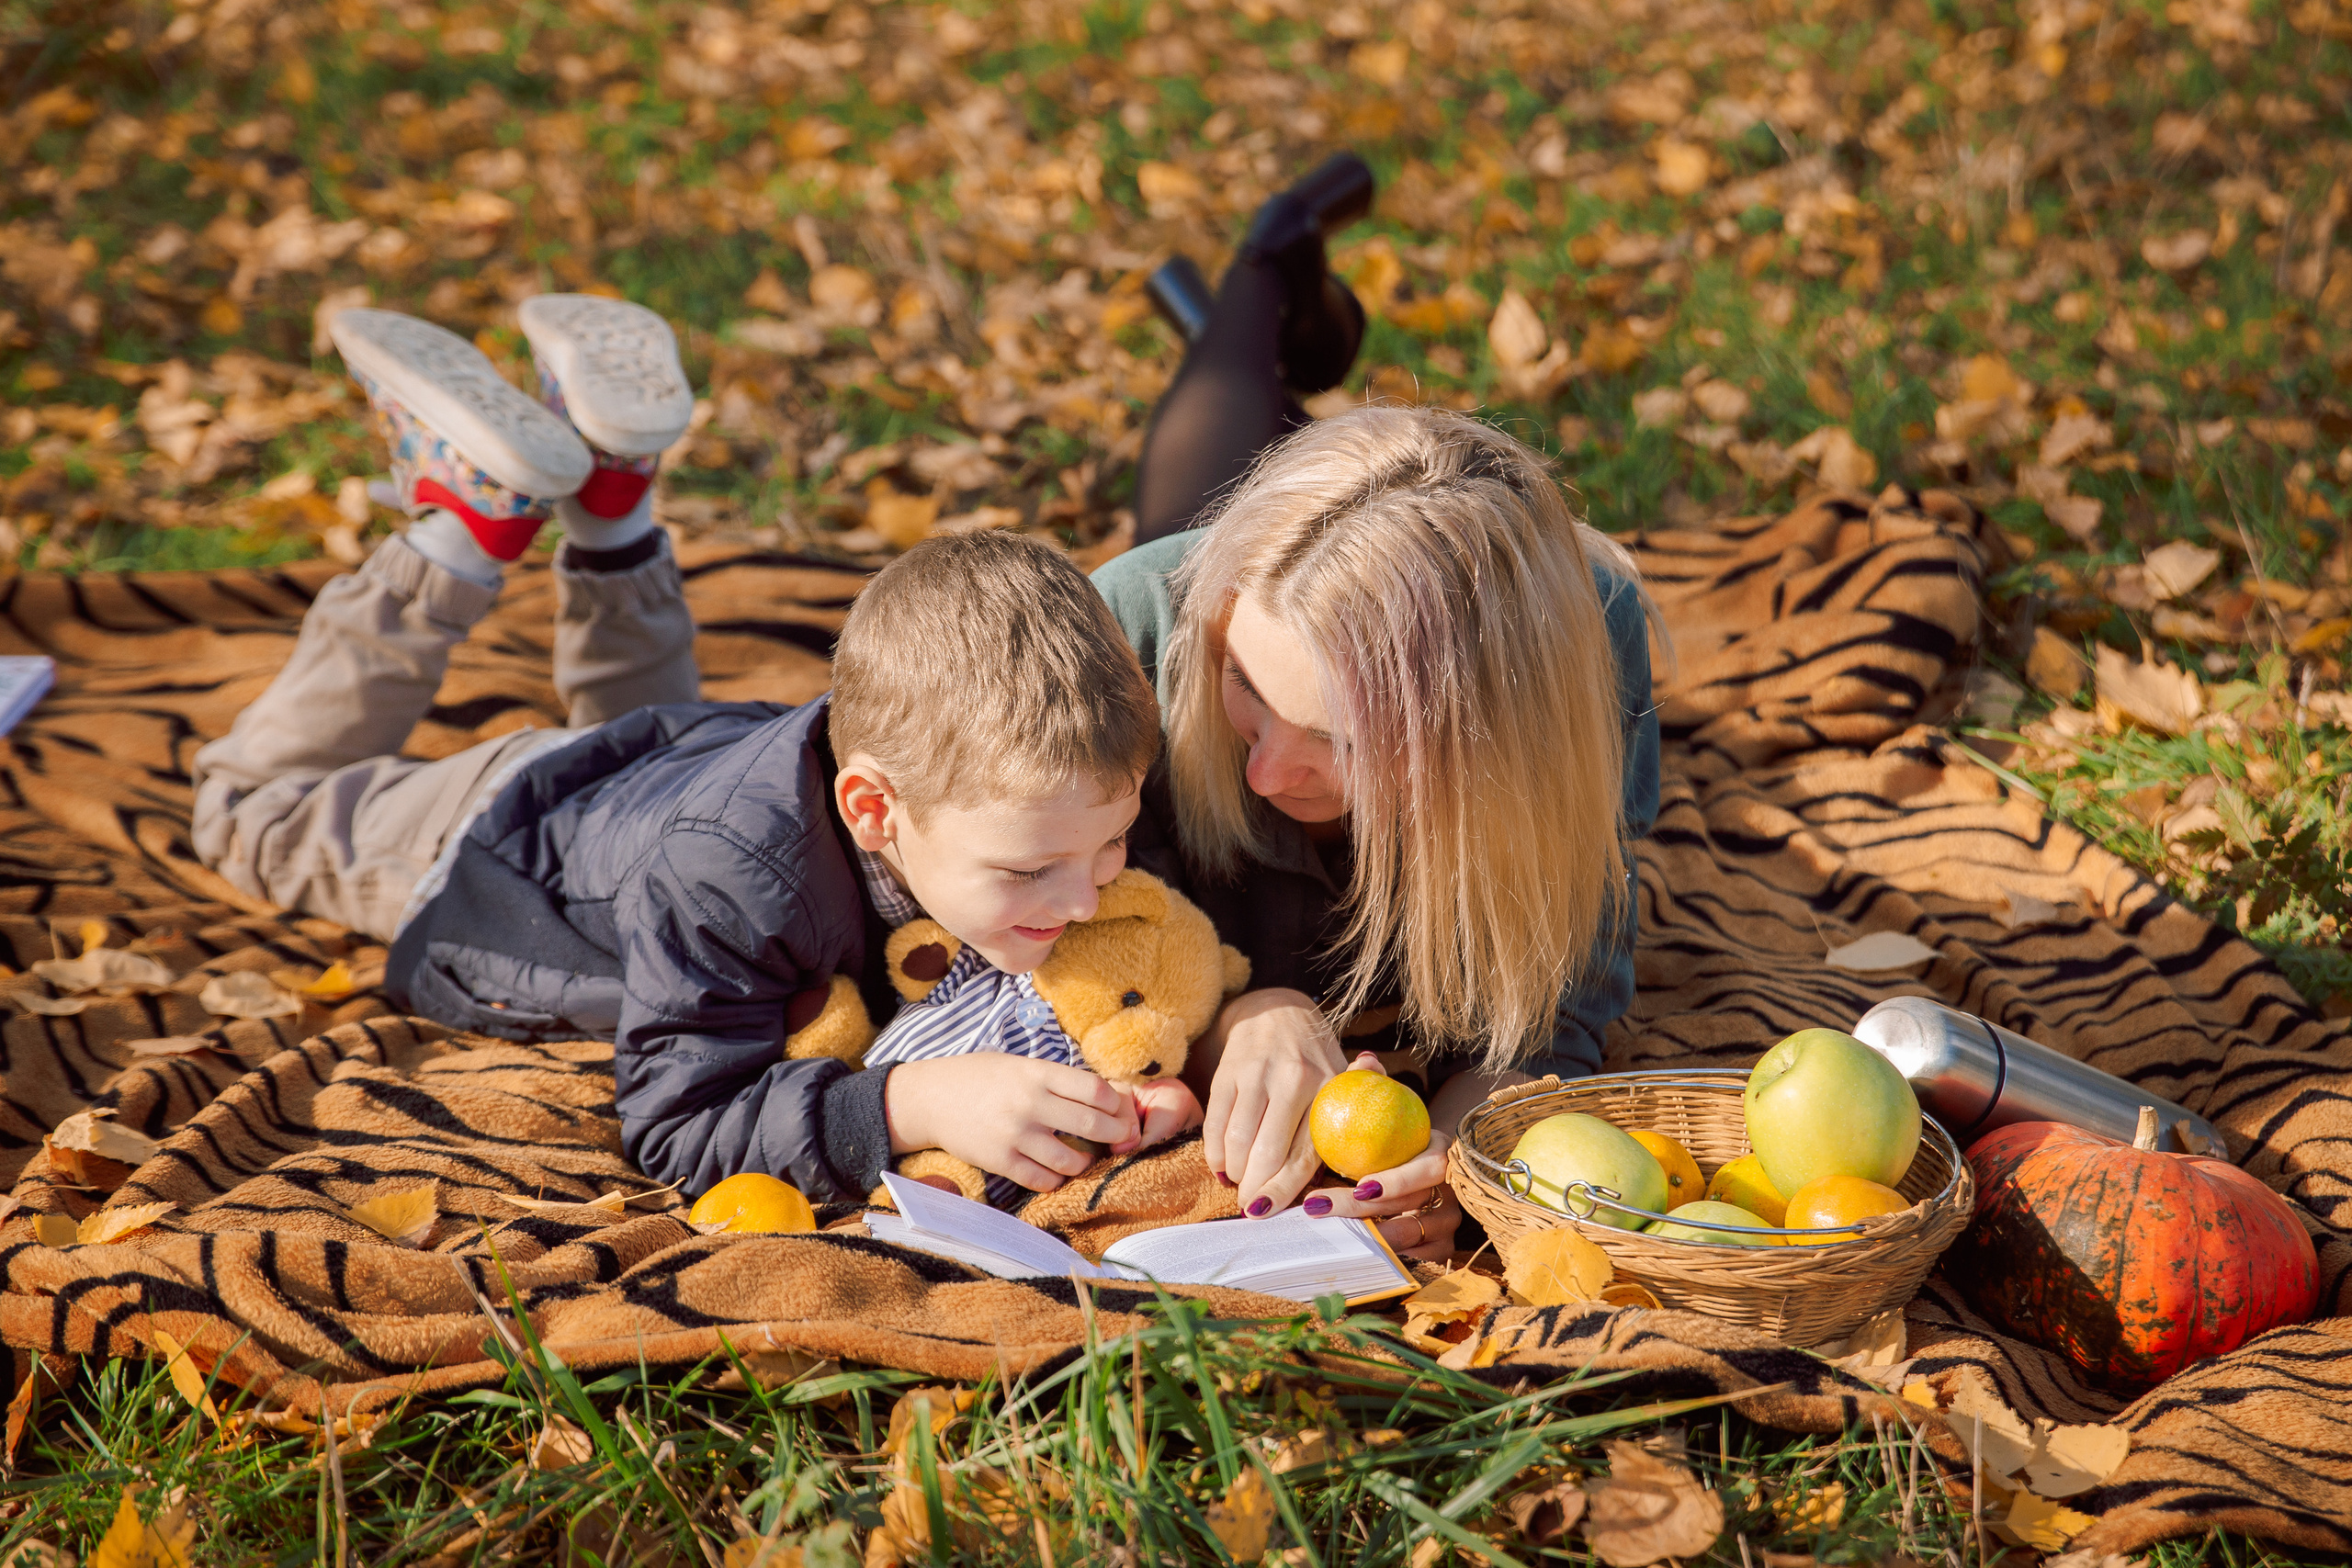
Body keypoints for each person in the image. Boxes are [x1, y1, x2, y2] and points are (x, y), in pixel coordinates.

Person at [193, 303, 1180, 1206]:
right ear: (875, 810)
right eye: (1027, 869)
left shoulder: (1004, 788)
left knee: (663, 769)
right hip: (492, 842)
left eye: (1110, 846)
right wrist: (901, 1107)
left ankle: (614, 495)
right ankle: (466, 530)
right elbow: (676, 1118)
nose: (1087, 898)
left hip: (670, 768)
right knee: (249, 813)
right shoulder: (736, 883)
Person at [1096, 184, 1662, 1259]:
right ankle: (1264, 273)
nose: (1265, 775)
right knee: (1210, 441)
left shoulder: (1590, 648)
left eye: (1344, 744)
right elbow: (1036, 916)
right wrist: (1234, 1013)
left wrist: (1471, 1137)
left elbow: (1569, 991)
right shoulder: (1140, 618)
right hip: (1204, 550)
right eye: (1245, 689)